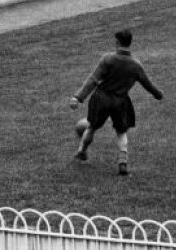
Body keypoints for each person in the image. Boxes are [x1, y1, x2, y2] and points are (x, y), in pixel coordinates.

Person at [68, 28, 163, 176]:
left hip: (101, 98)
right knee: (121, 132)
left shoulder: (108, 59)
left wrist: (78, 97)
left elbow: (93, 79)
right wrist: (158, 94)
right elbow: (147, 84)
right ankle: (122, 161)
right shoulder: (136, 65)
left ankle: (82, 151)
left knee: (92, 127)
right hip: (120, 101)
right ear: (130, 43)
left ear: (117, 42)